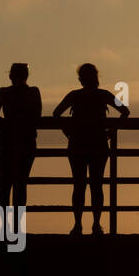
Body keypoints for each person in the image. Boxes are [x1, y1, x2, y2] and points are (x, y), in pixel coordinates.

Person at [52, 63, 129, 236]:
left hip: (77, 144)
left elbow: (56, 114)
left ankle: (78, 224)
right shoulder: (104, 95)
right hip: (99, 144)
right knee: (96, 185)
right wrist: (112, 132)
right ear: (96, 77)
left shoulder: (74, 96)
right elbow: (125, 111)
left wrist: (68, 133)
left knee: (79, 185)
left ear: (81, 79)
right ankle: (96, 224)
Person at [0, 63, 41, 225]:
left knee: (5, 183)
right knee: (20, 183)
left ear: (10, 76)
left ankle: (4, 225)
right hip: (26, 140)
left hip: (5, 140)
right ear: (27, 76)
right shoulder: (33, 92)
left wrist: (8, 122)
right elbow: (37, 116)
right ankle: (17, 225)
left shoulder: (3, 92)